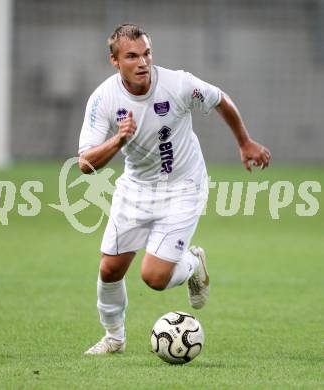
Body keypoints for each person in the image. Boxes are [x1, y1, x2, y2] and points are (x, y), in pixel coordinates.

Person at [78, 24, 271, 355]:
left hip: (183, 186)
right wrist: (119, 139)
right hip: (136, 188)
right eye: (132, 56)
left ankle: (193, 264)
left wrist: (245, 142)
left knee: (153, 278)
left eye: (147, 53)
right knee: (109, 269)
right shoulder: (103, 99)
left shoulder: (178, 84)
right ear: (114, 61)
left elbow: (219, 99)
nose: (143, 62)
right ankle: (114, 338)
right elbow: (85, 163)